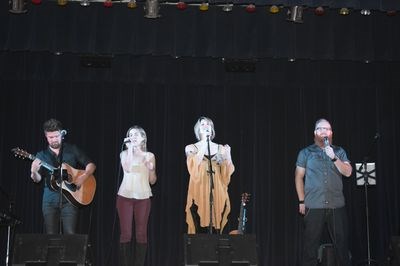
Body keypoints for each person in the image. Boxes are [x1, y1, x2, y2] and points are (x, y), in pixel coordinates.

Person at [295, 118, 353, 266]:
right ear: (315, 132)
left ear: (331, 133)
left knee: (342, 247)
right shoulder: (305, 152)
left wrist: (333, 157)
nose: (324, 131)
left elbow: (348, 172)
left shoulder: (339, 151)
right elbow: (298, 177)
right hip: (313, 206)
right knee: (310, 248)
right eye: (320, 128)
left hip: (336, 206)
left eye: (327, 129)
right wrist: (302, 201)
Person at [30, 118, 96, 234]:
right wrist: (34, 172)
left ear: (62, 134)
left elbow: (91, 165)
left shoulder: (71, 149)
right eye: (51, 137)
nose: (54, 140)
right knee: (51, 236)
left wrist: (83, 176)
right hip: (49, 201)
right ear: (46, 137)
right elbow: (37, 180)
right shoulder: (41, 155)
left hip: (70, 200)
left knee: (70, 235)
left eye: (56, 136)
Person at [185, 116, 234, 234]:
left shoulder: (220, 148)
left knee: (217, 222)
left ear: (212, 129)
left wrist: (228, 156)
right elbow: (193, 165)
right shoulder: (191, 147)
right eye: (203, 124)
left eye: (208, 124)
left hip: (217, 188)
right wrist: (205, 142)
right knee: (198, 223)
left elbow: (228, 171)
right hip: (199, 188)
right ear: (198, 129)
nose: (206, 126)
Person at [117, 126, 157, 266]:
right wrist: (129, 150)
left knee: (141, 234)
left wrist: (151, 169)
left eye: (136, 134)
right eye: (131, 134)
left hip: (143, 198)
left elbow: (152, 181)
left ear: (143, 138)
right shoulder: (123, 154)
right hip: (125, 197)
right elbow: (127, 168)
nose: (133, 136)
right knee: (126, 234)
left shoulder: (150, 155)